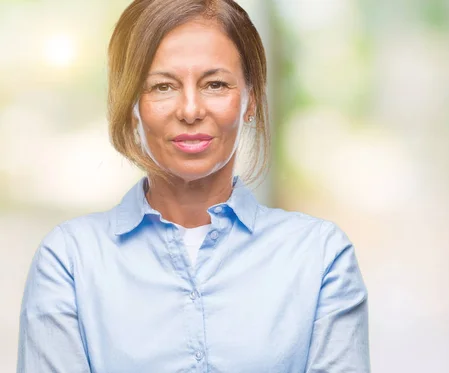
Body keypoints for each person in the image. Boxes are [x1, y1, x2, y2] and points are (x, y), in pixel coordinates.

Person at [17, 0, 370, 372]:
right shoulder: (70, 262)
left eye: (215, 84)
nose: (189, 110)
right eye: (162, 86)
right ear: (131, 101)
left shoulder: (320, 258)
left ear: (250, 97)